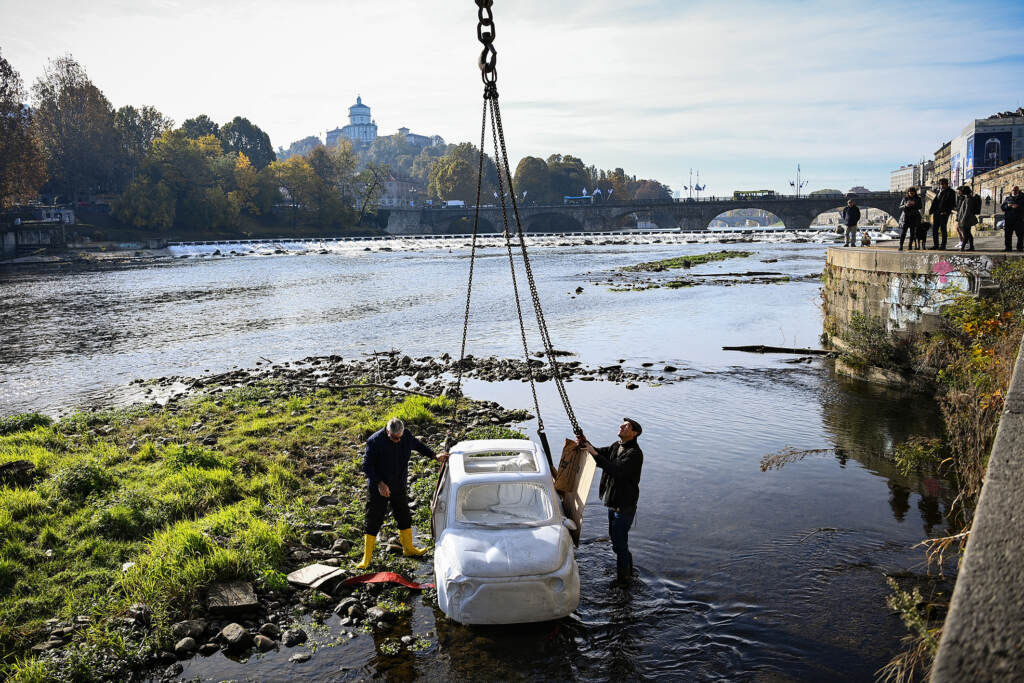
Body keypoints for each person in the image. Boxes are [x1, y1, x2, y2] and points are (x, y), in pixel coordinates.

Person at [356, 417, 447, 569]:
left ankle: (409, 549)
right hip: (379, 488)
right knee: (373, 519)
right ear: (387, 432)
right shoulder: (374, 441)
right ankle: (367, 558)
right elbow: (366, 466)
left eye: (400, 437)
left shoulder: (406, 436)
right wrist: (379, 483)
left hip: (398, 485)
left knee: (404, 515)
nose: (398, 440)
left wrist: (433, 455)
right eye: (394, 438)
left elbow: (418, 445)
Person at [577, 418, 644, 586]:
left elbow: (616, 470)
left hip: (625, 506)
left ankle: (623, 580)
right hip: (613, 504)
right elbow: (601, 454)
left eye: (626, 426)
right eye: (622, 424)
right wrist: (585, 442)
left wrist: (594, 452)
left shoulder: (634, 453)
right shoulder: (617, 445)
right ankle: (629, 571)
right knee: (617, 544)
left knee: (619, 545)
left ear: (634, 433)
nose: (621, 426)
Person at [928, 178, 956, 250]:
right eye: (940, 184)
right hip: (936, 213)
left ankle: (943, 245)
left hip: (944, 213)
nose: (941, 186)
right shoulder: (939, 192)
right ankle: (936, 245)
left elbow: (952, 203)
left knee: (943, 229)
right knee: (935, 230)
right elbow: (935, 202)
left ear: (946, 184)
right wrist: (931, 211)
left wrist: (947, 211)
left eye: (942, 184)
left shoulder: (951, 192)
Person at [956, 185, 980, 252]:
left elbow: (967, 210)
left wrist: (963, 219)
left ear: (963, 191)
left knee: (966, 234)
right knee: (968, 234)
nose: (959, 192)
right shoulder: (966, 198)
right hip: (966, 219)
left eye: (960, 191)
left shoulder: (969, 199)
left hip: (966, 220)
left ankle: (962, 248)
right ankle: (971, 247)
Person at [898, 187, 923, 251]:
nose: (911, 193)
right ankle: (901, 245)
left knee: (912, 233)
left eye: (912, 192)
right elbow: (900, 207)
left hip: (914, 217)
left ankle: (910, 246)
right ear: (908, 192)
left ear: (915, 192)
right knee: (903, 232)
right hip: (906, 217)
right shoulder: (905, 198)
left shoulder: (918, 199)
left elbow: (920, 206)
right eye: (910, 192)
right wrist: (906, 205)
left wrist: (914, 204)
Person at [1000, 185, 1023, 252]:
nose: (1014, 191)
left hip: (1019, 219)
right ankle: (1008, 248)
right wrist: (1007, 206)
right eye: (1013, 190)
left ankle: (1020, 248)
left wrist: (1018, 207)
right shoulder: (1008, 198)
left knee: (1020, 235)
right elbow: (1002, 208)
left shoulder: (1022, 198)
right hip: (1009, 219)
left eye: (1015, 190)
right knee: (1008, 235)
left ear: (1018, 190)